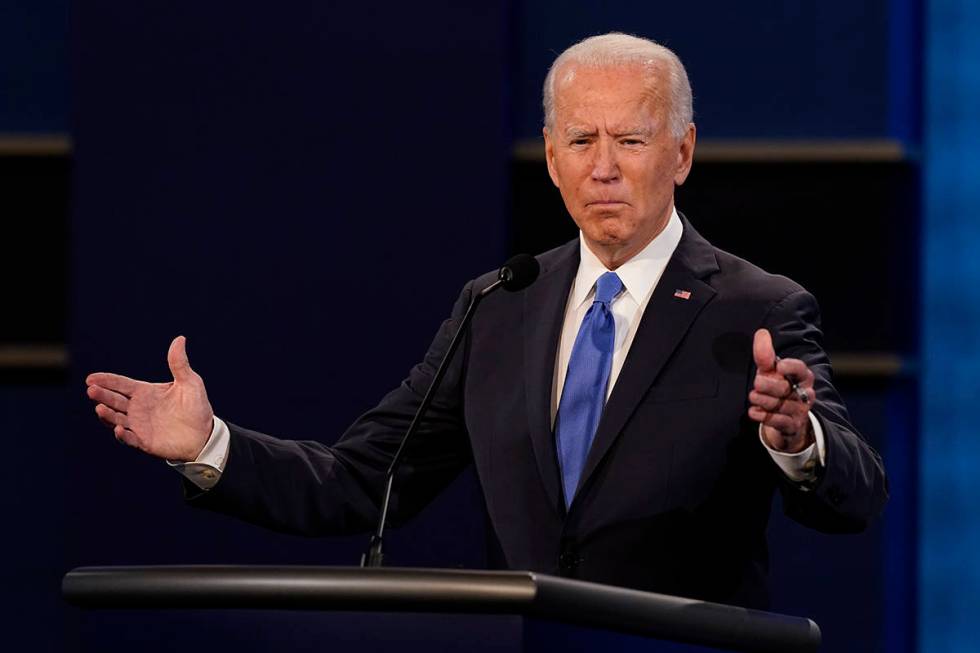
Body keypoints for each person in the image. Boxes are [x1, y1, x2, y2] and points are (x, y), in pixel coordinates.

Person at [85, 33, 887, 608]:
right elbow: (364, 482)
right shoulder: (499, 305)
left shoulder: (755, 308)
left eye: (630, 139)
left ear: (680, 152)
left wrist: (797, 441)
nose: (602, 165)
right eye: (580, 139)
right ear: (550, 156)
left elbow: (856, 495)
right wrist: (210, 446)